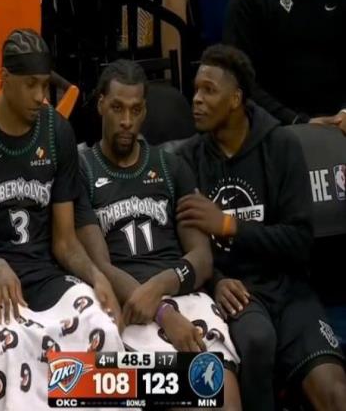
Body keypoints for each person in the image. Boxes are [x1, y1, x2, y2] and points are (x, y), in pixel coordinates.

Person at [0, 28, 123, 411]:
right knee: (11, 349)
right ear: (4, 78)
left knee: (101, 326)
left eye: (45, 84)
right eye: (31, 85)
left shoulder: (57, 132)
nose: (41, 96)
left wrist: (96, 276)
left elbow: (65, 241)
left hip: (44, 276)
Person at [178, 44, 346, 411]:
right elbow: (182, 248)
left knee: (335, 394)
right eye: (196, 89)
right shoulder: (186, 159)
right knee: (256, 341)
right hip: (233, 293)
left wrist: (228, 224)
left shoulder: (281, 146)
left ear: (236, 98)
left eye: (209, 90)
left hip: (289, 292)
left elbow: (299, 241)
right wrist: (215, 281)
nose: (197, 100)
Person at [76, 59, 241, 410]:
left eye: (135, 110)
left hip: (180, 294)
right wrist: (162, 313)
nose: (126, 120)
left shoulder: (170, 166)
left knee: (222, 390)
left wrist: (160, 289)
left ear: (145, 111)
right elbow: (99, 264)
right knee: (177, 391)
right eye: (117, 108)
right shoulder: (82, 170)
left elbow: (201, 257)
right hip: (123, 302)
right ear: (101, 104)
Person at [224, 0, 346, 133]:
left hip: (336, 128)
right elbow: (237, 77)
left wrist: (344, 112)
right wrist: (295, 121)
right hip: (273, 130)